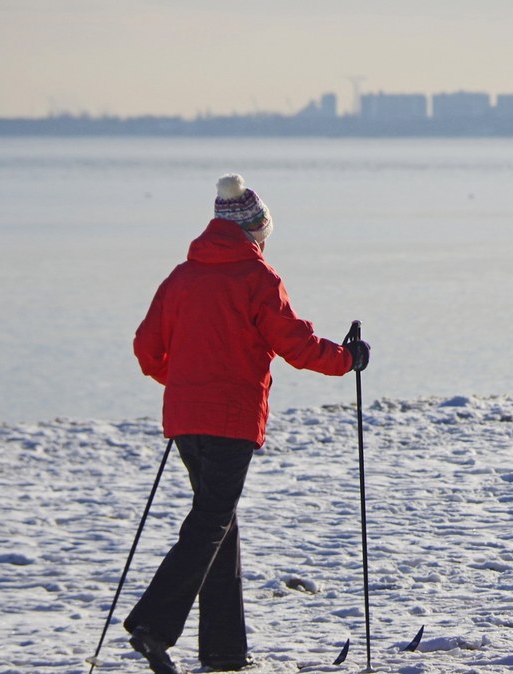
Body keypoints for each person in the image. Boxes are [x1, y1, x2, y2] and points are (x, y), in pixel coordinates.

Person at [125, 174, 370, 673]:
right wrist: (348, 360)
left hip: (185, 419)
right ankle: (152, 626)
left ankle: (223, 652)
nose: (264, 241)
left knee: (220, 525)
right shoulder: (258, 279)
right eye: (263, 234)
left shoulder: (180, 277)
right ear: (253, 231)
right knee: (211, 521)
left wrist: (188, 383)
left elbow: (147, 351)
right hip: (230, 419)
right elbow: (296, 346)